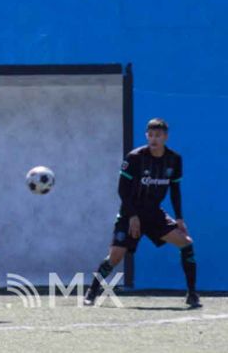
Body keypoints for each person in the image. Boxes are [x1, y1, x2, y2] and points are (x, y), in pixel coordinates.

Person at [84, 118, 200, 308]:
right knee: (115, 257)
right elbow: (122, 190)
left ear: (165, 137)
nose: (154, 139)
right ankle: (92, 291)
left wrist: (179, 218)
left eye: (158, 135)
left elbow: (175, 190)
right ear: (147, 135)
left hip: (154, 215)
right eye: (151, 135)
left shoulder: (174, 159)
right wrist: (132, 216)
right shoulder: (135, 158)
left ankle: (192, 294)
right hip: (130, 213)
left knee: (186, 243)